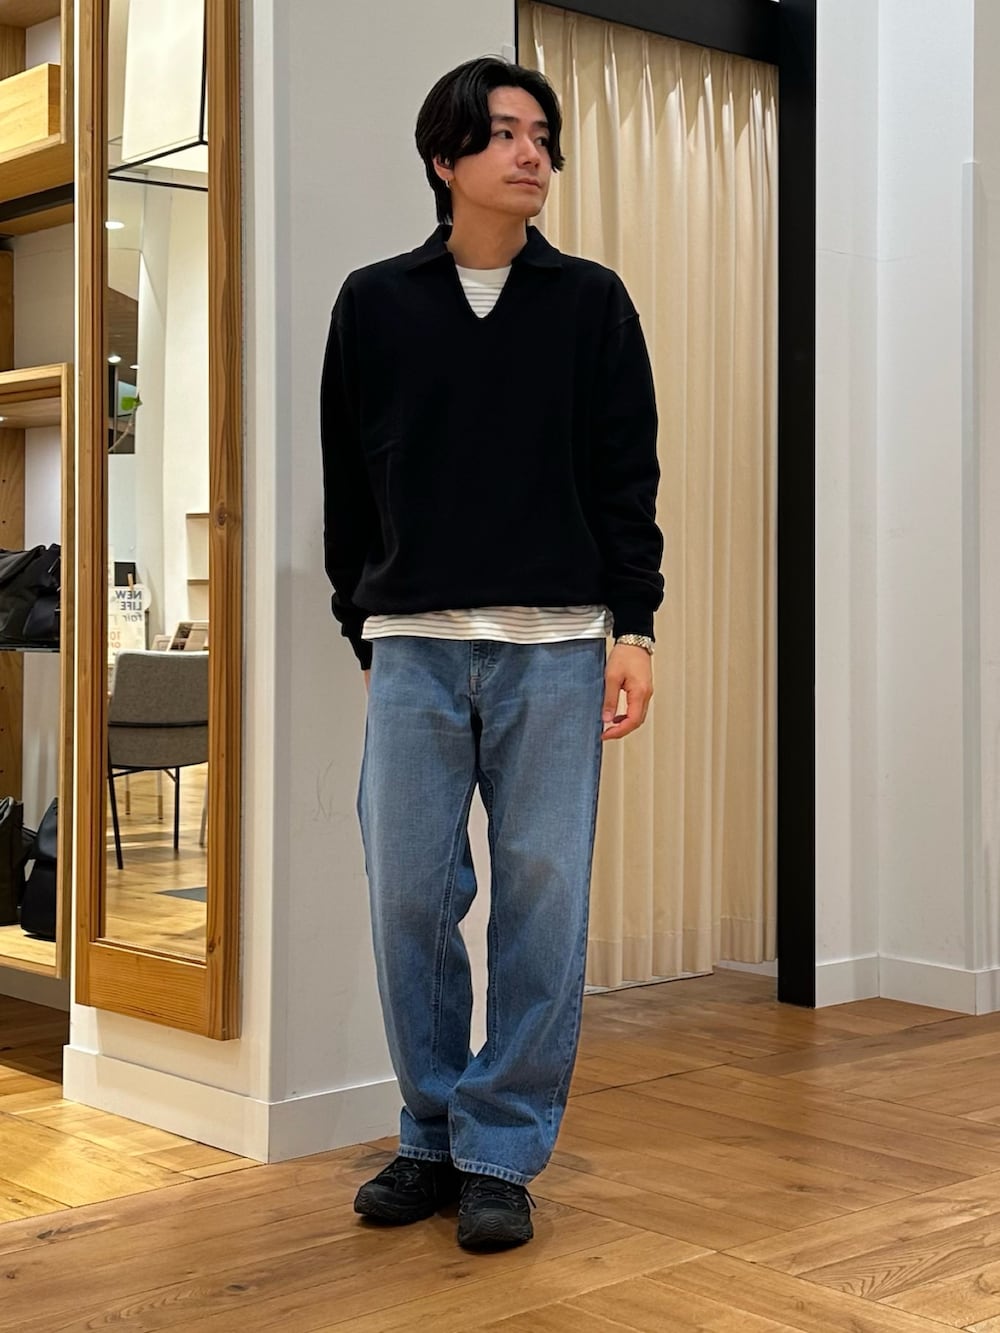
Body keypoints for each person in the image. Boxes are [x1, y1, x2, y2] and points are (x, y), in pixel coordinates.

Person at [320, 55, 663, 1252]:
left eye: (543, 136)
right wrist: (358, 622)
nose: (532, 154)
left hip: (556, 648)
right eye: (506, 133)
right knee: (409, 896)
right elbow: (347, 484)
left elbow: (626, 479)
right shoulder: (374, 303)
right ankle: (429, 1130)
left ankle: (500, 1148)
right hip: (413, 645)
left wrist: (635, 627)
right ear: (444, 156)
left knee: (541, 902)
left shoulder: (590, 303)